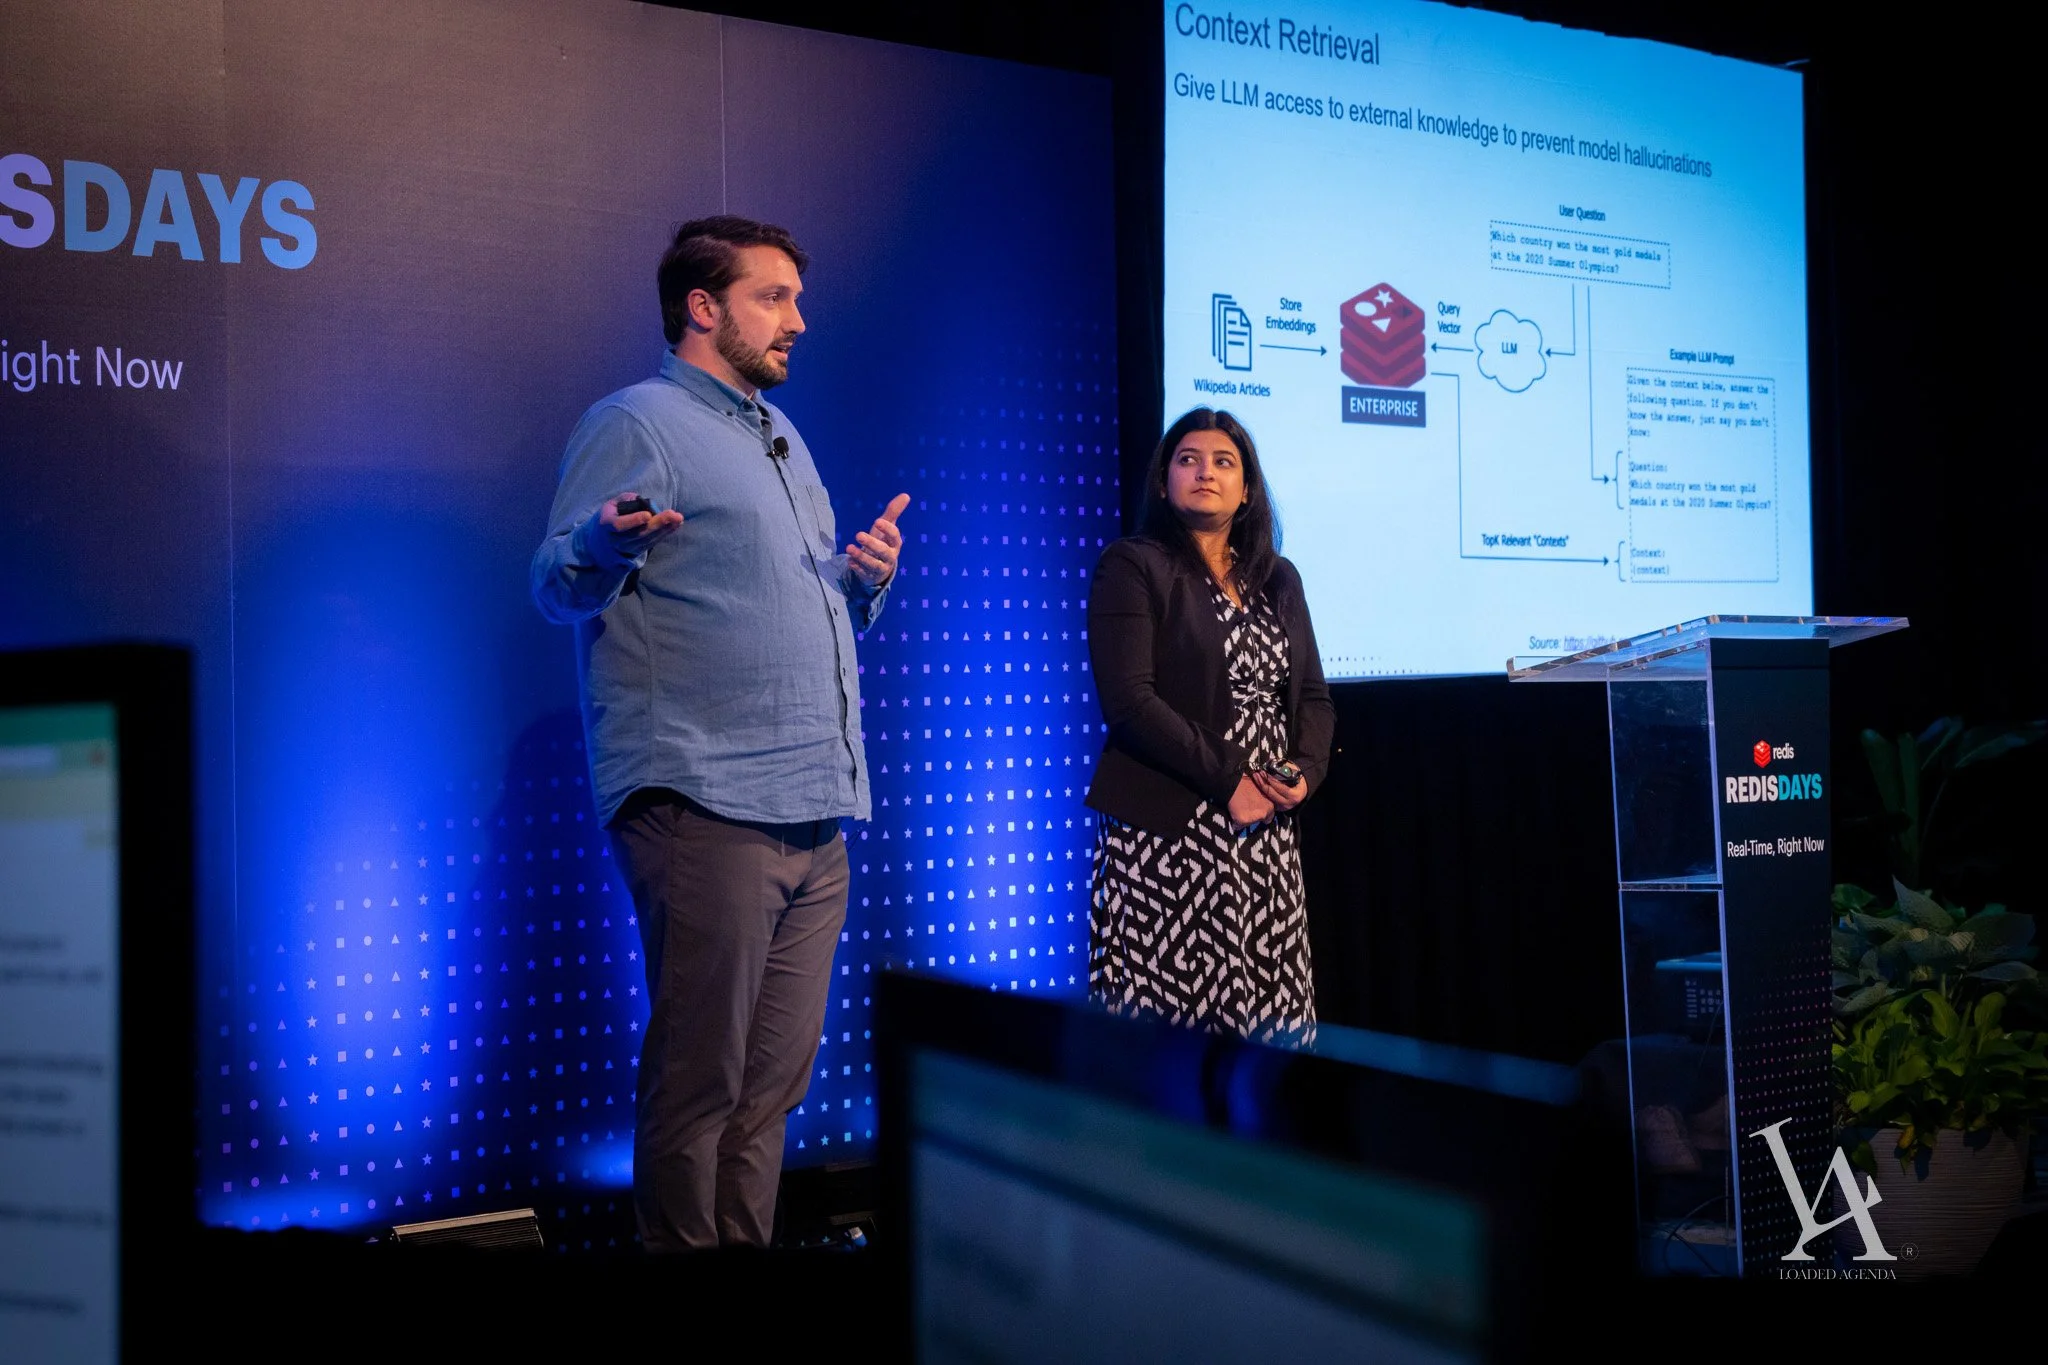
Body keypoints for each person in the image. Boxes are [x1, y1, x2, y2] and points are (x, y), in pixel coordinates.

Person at [530, 215, 909, 1251]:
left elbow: (786, 600)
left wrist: (861, 583)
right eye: (772, 297)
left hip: (814, 809)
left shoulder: (781, 436)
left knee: (770, 1089)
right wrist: (603, 541)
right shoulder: (637, 422)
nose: (798, 320)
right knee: (700, 1085)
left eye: (796, 298)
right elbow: (554, 582)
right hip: (705, 800)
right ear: (703, 307)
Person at [1084, 407, 1334, 1044]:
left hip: (1265, 830)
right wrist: (1230, 781)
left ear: (1246, 489)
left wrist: (1303, 773)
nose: (1205, 472)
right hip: (1170, 832)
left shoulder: (1278, 578)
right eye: (1188, 459)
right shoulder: (1132, 565)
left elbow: (1312, 697)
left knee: (1272, 1034)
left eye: (1224, 462)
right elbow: (1130, 702)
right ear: (1164, 479)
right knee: (1171, 1040)